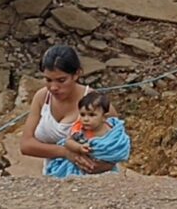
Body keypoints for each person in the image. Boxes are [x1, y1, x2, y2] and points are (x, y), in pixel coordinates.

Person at [19, 45, 118, 175]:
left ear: (76, 74)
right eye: (48, 80)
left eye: (61, 80)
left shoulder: (97, 103)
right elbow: (26, 144)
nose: (54, 87)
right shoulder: (42, 97)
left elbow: (117, 146)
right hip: (53, 176)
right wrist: (65, 152)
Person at [44, 91, 131, 178]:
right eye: (82, 114)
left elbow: (118, 148)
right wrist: (79, 147)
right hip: (79, 169)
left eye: (91, 115)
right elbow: (68, 142)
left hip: (105, 172)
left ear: (104, 117)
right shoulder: (79, 129)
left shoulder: (113, 133)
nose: (86, 119)